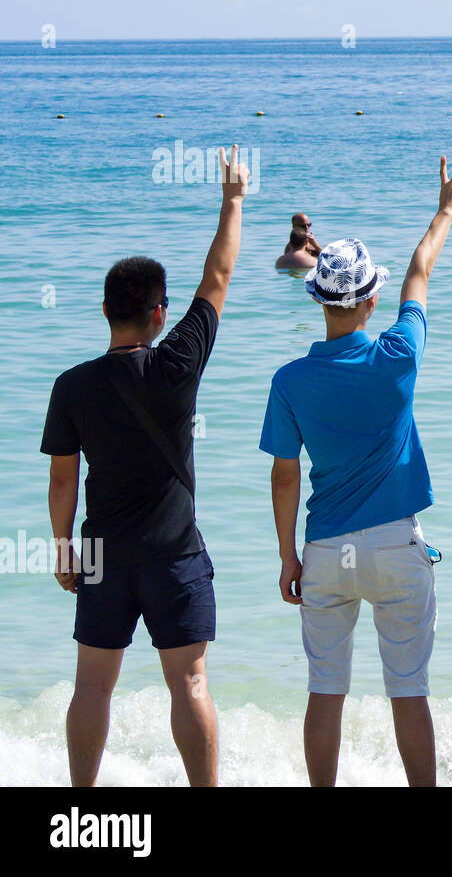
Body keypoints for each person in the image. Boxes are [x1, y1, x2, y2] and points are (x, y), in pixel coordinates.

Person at [40, 144, 249, 787]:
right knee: (188, 682)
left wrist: (62, 548)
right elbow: (216, 277)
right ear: (159, 313)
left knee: (92, 686)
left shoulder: (71, 386)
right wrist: (233, 199)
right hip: (174, 553)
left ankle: (81, 805)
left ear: (105, 311)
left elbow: (62, 478)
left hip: (102, 551)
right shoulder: (176, 364)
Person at [259, 155, 452, 788]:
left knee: (326, 689)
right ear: (370, 300)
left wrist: (287, 556)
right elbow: (420, 271)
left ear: (317, 298)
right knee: (409, 690)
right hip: (398, 546)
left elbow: (285, 475)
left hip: (327, 549)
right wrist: (447, 209)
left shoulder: (289, 380)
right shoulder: (399, 353)